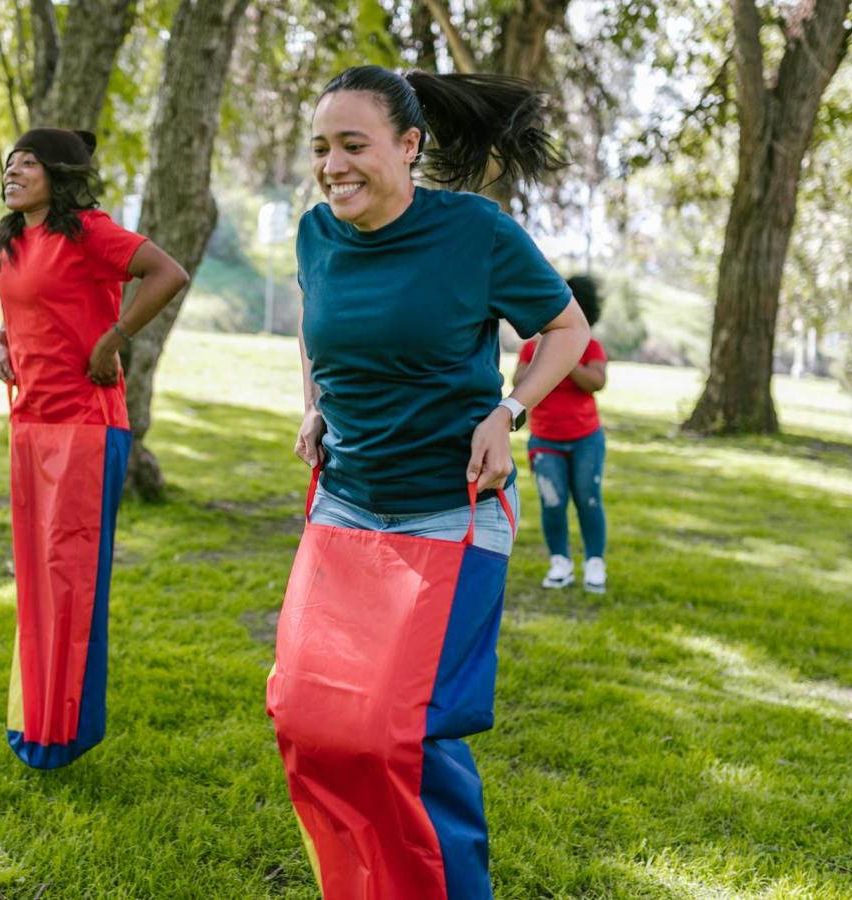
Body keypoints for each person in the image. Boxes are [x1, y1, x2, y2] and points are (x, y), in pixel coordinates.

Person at [269, 65, 591, 898]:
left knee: (400, 734)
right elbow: (314, 322)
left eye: (353, 145)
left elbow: (564, 327)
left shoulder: (474, 232)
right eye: (321, 149)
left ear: (409, 147)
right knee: (307, 718)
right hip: (344, 501)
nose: (333, 165)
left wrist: (508, 410)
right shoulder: (315, 233)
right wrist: (315, 404)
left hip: (452, 512)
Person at [0, 128, 187, 767]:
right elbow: (30, 306)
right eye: (10, 163)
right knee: (36, 577)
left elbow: (167, 272)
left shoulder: (90, 231)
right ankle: (36, 721)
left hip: (84, 425)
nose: (13, 171)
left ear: (59, 175)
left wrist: (114, 337)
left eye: (28, 163)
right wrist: (2, 340)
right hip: (30, 422)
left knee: (68, 577)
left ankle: (63, 732)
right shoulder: (15, 239)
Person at [514, 274, 608, 592]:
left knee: (588, 500)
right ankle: (560, 563)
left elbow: (596, 381)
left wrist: (566, 358)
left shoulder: (590, 346)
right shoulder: (531, 349)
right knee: (552, 502)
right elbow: (520, 381)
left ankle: (594, 563)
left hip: (585, 440)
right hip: (545, 439)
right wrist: (548, 354)